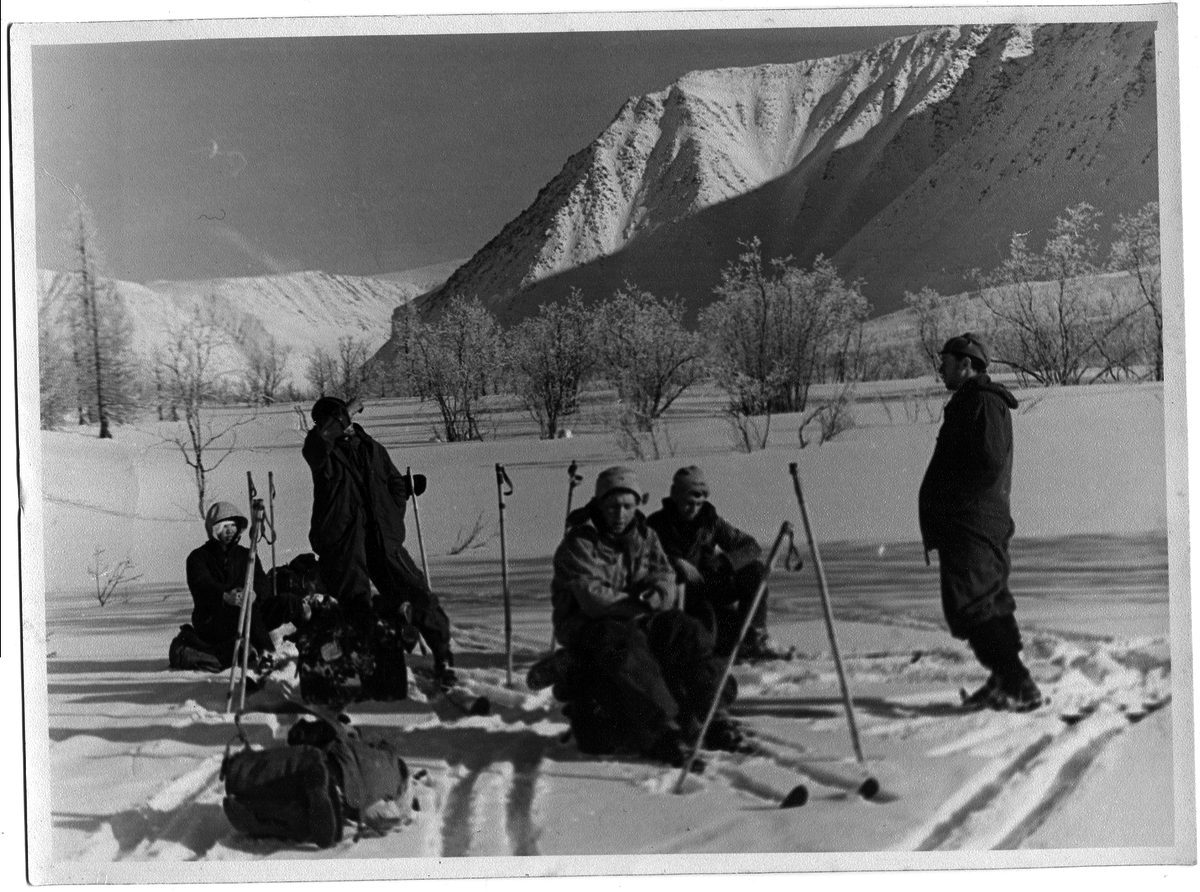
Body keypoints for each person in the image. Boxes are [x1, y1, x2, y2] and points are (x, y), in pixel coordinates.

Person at [546, 466, 745, 767]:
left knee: (684, 630)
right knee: (626, 644)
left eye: (628, 506)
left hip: (638, 614)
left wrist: (659, 594)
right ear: (600, 504)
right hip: (589, 623)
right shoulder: (580, 543)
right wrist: (639, 607)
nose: (620, 513)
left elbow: (663, 572)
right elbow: (593, 597)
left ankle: (710, 713)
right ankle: (660, 730)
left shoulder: (645, 535)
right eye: (613, 506)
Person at [919, 333, 1044, 712]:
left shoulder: (982, 403)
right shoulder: (972, 402)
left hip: (972, 524)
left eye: (946, 361)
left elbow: (987, 462)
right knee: (987, 603)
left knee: (973, 605)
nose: (940, 367)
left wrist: (955, 504)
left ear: (966, 364)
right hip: (974, 522)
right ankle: (1002, 681)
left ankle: (1018, 683)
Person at [302, 396, 456, 688]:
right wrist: (344, 412)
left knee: (419, 593)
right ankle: (368, 666)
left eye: (342, 418)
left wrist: (394, 513)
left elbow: (395, 484)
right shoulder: (320, 451)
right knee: (355, 608)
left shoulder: (373, 448)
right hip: (345, 541)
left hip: (382, 539)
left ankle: (443, 657)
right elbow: (321, 438)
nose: (342, 424)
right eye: (333, 420)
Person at [647, 466, 789, 662]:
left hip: (708, 586)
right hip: (675, 595)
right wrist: (675, 562)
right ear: (675, 497)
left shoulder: (711, 522)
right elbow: (643, 558)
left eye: (699, 503)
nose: (694, 508)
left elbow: (751, 546)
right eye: (688, 502)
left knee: (755, 571)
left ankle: (755, 635)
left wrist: (724, 561)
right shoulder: (655, 524)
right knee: (712, 641)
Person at [184, 500, 310, 672]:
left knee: (289, 601)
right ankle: (269, 657)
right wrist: (225, 596)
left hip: (251, 616)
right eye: (224, 526)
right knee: (242, 609)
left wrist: (255, 593)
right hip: (214, 622)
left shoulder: (246, 554)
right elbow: (201, 585)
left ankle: (315, 643)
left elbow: (261, 583)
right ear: (214, 529)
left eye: (233, 526)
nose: (230, 531)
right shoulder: (198, 557)